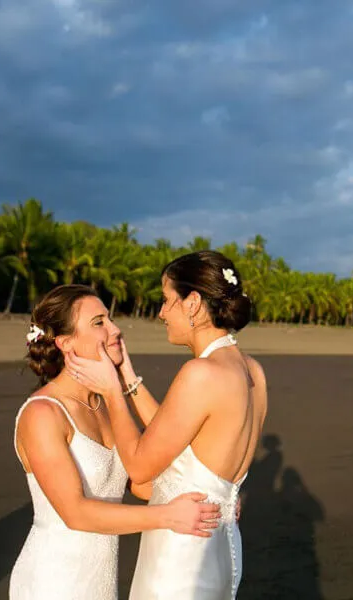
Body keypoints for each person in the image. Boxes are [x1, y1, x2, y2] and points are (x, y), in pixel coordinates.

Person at [65, 250, 268, 599]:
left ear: (192, 303)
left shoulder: (200, 374)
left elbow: (141, 463)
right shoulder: (252, 371)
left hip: (183, 555)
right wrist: (126, 374)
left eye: (166, 300)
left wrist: (112, 392)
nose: (160, 313)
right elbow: (180, 433)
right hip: (223, 546)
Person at [9, 284, 222, 600]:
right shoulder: (42, 414)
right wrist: (169, 516)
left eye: (109, 319)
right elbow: (76, 513)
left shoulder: (105, 405)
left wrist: (211, 500)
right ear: (66, 343)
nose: (115, 329)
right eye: (99, 323)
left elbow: (138, 483)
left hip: (100, 583)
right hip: (53, 581)